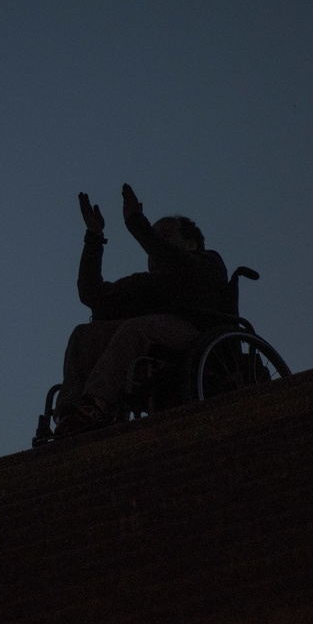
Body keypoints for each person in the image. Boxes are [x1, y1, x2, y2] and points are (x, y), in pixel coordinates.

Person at [54, 184, 229, 436]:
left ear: (190, 244)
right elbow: (94, 296)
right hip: (152, 338)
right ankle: (67, 412)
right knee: (84, 335)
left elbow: (172, 260)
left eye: (163, 236)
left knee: (136, 329)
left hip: (197, 332)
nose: (154, 243)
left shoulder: (207, 263)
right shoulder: (148, 283)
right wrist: (94, 238)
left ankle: (96, 405)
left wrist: (137, 222)